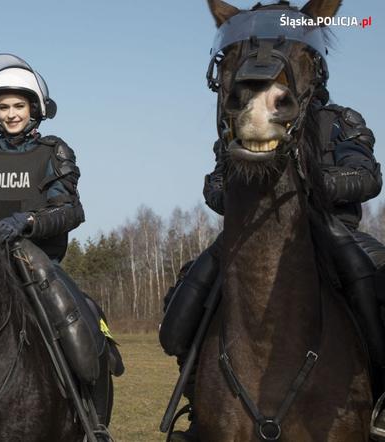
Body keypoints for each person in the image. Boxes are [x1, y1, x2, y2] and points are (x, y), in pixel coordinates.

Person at [161, 94, 384, 441]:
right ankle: (199, 403)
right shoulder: (246, 122)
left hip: (327, 225)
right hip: (251, 230)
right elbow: (216, 184)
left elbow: (367, 176)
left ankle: (379, 396)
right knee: (189, 284)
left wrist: (306, 188)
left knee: (376, 277)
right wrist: (241, 191)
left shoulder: (339, 120)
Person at [0, 54, 122, 437]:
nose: (11, 114)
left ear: (34, 109)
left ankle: (94, 423)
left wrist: (27, 222)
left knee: (82, 323)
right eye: (4, 107)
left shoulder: (53, 152)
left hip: (39, 263)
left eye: (19, 106)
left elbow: (71, 210)